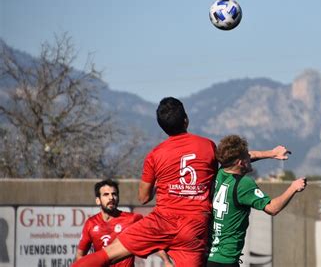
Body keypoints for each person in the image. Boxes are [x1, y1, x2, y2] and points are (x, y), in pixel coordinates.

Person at [72, 97, 218, 267]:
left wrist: (166, 184)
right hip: (194, 226)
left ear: (162, 126)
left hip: (161, 222)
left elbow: (143, 198)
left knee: (109, 254)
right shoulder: (208, 146)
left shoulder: (155, 154)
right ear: (186, 120)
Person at [207, 135, 307, 267]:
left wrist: (272, 153)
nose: (250, 156)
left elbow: (249, 156)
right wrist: (293, 187)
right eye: (246, 156)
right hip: (227, 261)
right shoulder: (243, 184)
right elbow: (272, 208)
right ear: (240, 162)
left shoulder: (219, 172)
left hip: (210, 257)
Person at [74, 179, 143, 266]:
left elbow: (154, 238)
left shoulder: (132, 219)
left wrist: (166, 260)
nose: (111, 197)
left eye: (114, 194)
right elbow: (80, 256)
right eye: (106, 194)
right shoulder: (91, 223)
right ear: (98, 200)